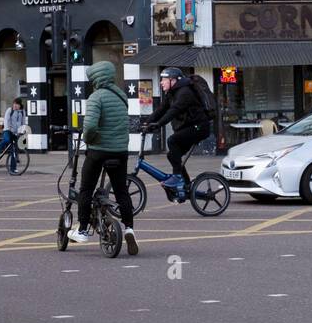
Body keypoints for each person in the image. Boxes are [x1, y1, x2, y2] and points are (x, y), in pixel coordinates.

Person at [70, 61, 138, 255]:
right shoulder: (121, 95)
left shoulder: (95, 97)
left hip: (99, 151)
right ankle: (129, 229)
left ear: (96, 79)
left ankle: (82, 229)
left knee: (86, 189)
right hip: (120, 151)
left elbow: (90, 126)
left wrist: (87, 139)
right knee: (121, 191)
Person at [145, 68, 211, 199]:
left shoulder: (185, 92)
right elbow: (162, 109)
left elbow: (174, 111)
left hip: (199, 127)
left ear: (173, 80)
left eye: (164, 80)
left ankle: (177, 177)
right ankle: (187, 187)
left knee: (172, 140)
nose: (161, 83)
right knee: (172, 155)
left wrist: (159, 124)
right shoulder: (172, 93)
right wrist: (147, 123)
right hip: (190, 128)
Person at [0, 97, 27, 172]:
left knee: (13, 151)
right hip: (7, 130)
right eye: (14, 104)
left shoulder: (22, 112)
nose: (14, 105)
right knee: (7, 139)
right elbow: (6, 121)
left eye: (16, 104)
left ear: (20, 105)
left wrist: (22, 131)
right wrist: (8, 129)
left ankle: (13, 168)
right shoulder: (9, 110)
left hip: (15, 133)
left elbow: (23, 123)